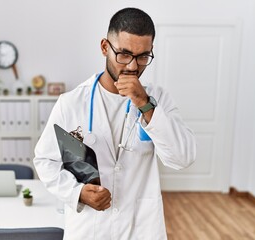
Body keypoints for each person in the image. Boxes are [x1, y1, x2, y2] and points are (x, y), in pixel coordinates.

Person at [33, 7, 196, 239]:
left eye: (142, 57)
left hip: (141, 227)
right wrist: (77, 192)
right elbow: (45, 160)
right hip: (90, 227)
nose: (132, 66)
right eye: (124, 54)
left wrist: (144, 104)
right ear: (104, 48)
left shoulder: (158, 100)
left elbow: (183, 157)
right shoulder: (71, 103)